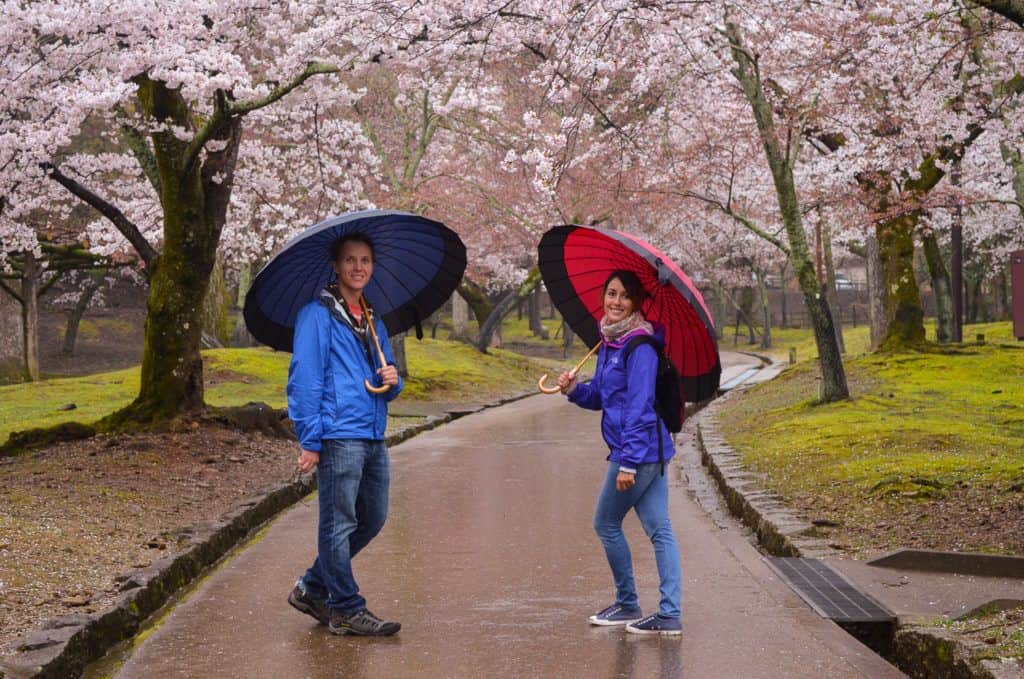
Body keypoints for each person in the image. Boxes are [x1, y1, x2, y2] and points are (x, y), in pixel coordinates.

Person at [286, 231, 403, 637]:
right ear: (335, 266)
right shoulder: (317, 315)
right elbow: (305, 379)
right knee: (338, 523)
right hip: (338, 434)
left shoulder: (373, 318)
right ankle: (346, 607)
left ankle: (312, 587)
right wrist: (310, 439)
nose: (359, 268)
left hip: (371, 432)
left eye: (366, 261)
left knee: (372, 517)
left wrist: (393, 380)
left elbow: (385, 381)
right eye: (350, 260)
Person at [557, 270, 683, 636]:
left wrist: (627, 462)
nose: (615, 301)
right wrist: (574, 389)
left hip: (640, 452)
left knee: (606, 523)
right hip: (646, 449)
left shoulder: (640, 347)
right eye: (611, 293)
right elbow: (601, 397)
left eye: (625, 296)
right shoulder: (610, 344)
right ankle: (669, 614)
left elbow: (641, 407)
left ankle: (628, 604)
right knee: (660, 529)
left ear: (637, 302)